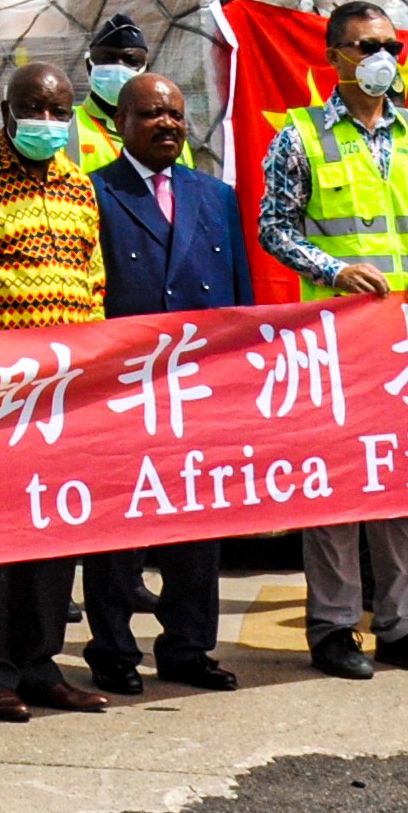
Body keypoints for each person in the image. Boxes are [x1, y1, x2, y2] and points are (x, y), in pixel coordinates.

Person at [254, 1, 408, 680]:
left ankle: (403, 624)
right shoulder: (300, 136)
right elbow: (273, 227)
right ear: (334, 55)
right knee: (338, 489)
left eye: (391, 44)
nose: (383, 55)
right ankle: (335, 626)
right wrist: (332, 268)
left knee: (404, 487)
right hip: (336, 340)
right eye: (367, 44)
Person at [0, 63, 114, 720]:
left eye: (60, 111)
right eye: (35, 108)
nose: (49, 122)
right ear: (7, 110)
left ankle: (40, 663)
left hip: (65, 391)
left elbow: (92, 279)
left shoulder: (76, 184)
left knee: (54, 528)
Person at [85, 73, 246, 693]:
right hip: (124, 388)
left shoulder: (215, 195)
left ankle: (188, 646)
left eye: (176, 113)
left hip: (201, 386)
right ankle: (114, 651)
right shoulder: (97, 192)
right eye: (152, 113)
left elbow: (237, 300)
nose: (168, 124)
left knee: (197, 528)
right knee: (118, 529)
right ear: (120, 123)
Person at [70, 13, 150, 175]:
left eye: (131, 61)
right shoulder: (64, 125)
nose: (119, 67)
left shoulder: (166, 129)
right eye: (108, 59)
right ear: (89, 66)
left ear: (145, 70)